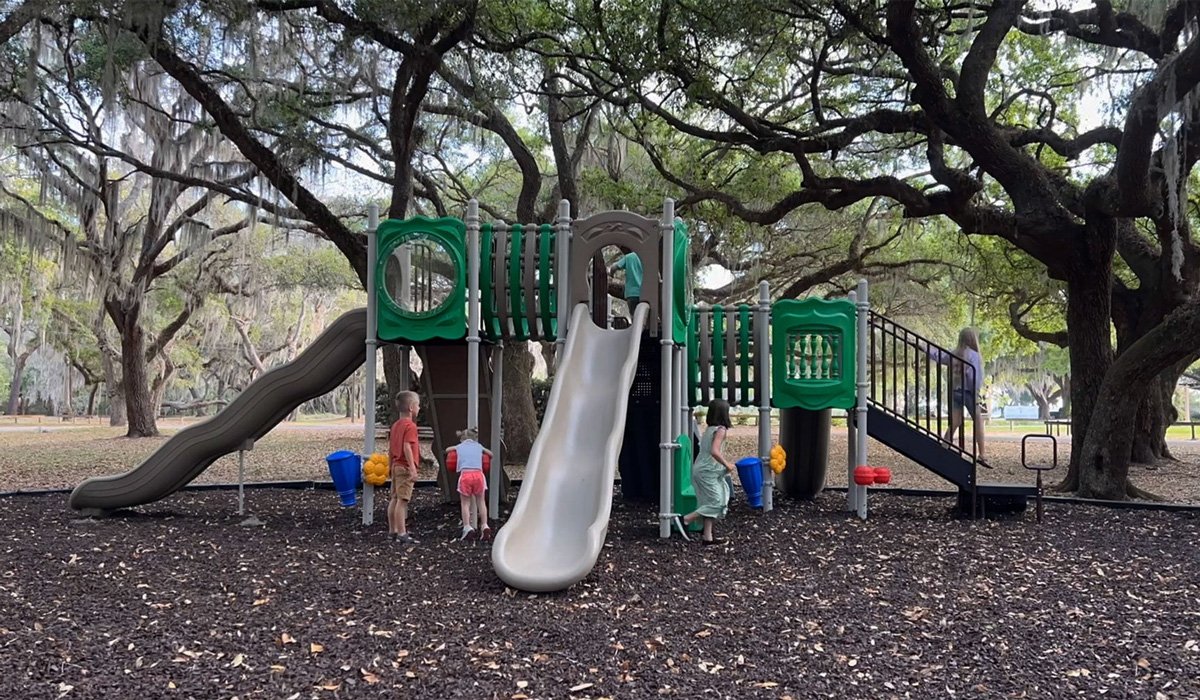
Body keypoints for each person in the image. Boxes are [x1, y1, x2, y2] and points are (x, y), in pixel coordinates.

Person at [925, 328, 986, 462]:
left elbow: (939, 356)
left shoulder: (954, 353)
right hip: (968, 392)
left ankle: (944, 446)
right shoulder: (973, 355)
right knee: (978, 421)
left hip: (955, 391)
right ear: (973, 339)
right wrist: (976, 390)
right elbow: (973, 377)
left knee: (955, 421)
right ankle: (982, 454)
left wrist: (925, 348)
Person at [681, 399, 735, 545]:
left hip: (702, 469)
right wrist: (727, 464)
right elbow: (714, 451)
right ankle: (686, 519)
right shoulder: (720, 430)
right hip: (707, 471)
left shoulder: (710, 429)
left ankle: (707, 536)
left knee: (709, 501)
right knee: (717, 502)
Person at [388, 391, 421, 543]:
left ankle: (392, 530)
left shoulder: (395, 426)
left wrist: (390, 466)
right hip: (405, 467)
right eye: (418, 405)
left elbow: (390, 448)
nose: (419, 408)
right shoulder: (411, 426)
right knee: (402, 500)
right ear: (411, 407)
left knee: (394, 498)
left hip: (395, 465)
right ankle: (402, 533)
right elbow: (407, 447)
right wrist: (413, 469)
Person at [448, 427, 492, 541]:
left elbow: (448, 449)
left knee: (465, 503)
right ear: (475, 438)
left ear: (462, 439)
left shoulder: (459, 446)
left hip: (465, 475)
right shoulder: (479, 446)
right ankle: (484, 525)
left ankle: (467, 527)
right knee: (481, 502)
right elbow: (490, 454)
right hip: (478, 475)